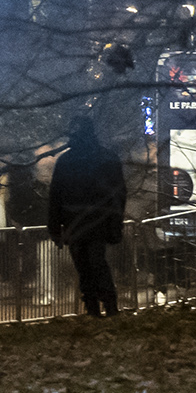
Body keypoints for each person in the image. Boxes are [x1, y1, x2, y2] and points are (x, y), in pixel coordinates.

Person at [49, 111, 129, 317]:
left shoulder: (66, 161)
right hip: (97, 221)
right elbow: (119, 194)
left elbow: (55, 196)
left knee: (86, 266)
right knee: (95, 263)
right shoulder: (106, 158)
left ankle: (95, 306)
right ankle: (107, 305)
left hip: (75, 221)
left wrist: (55, 228)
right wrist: (115, 222)